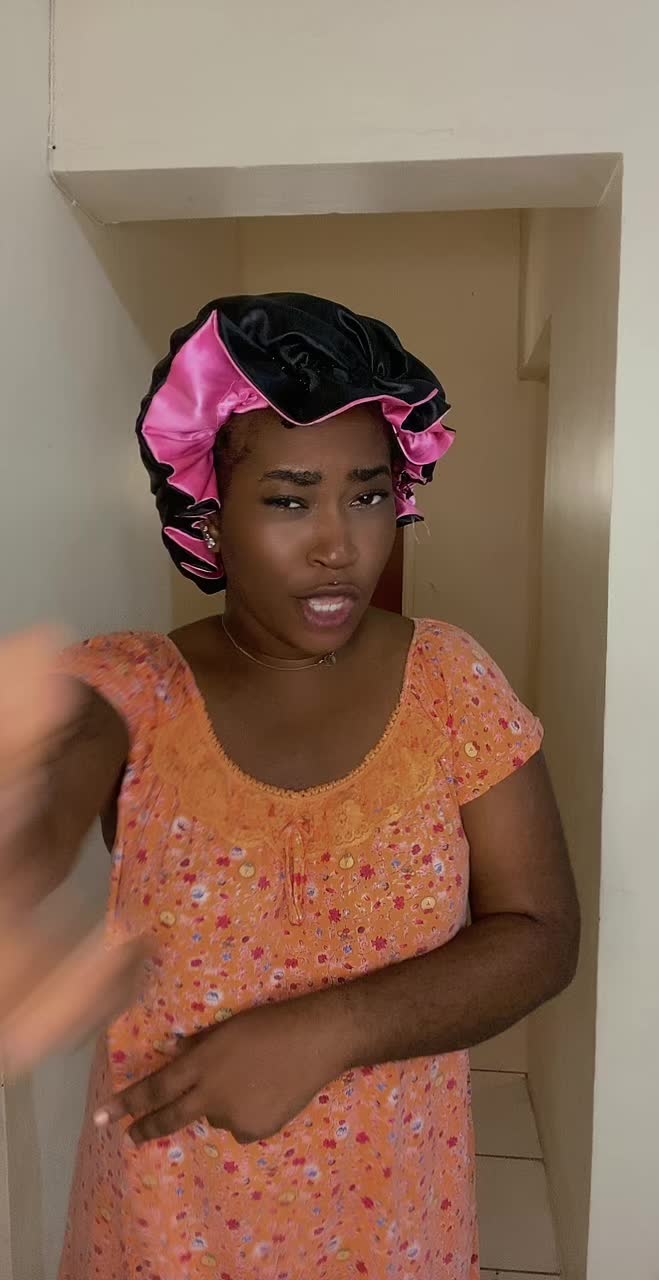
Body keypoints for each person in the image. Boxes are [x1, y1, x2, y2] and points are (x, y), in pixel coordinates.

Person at [0, 294, 579, 1280]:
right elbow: (48, 798)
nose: (338, 544)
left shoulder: (450, 683)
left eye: (367, 495)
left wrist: (329, 1029)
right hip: (168, 1231)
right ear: (210, 512)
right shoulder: (135, 688)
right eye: (288, 499)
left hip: (393, 1225)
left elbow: (540, 932)